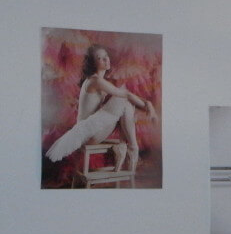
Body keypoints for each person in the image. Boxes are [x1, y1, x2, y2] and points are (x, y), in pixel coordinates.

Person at [45, 44, 156, 174]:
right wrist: (149, 106)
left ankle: (123, 148)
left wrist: (147, 105)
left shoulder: (96, 81)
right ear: (93, 63)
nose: (106, 59)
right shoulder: (95, 81)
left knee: (124, 105)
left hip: (91, 130)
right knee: (124, 99)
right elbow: (126, 95)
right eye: (100, 58)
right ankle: (132, 147)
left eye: (106, 56)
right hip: (89, 134)